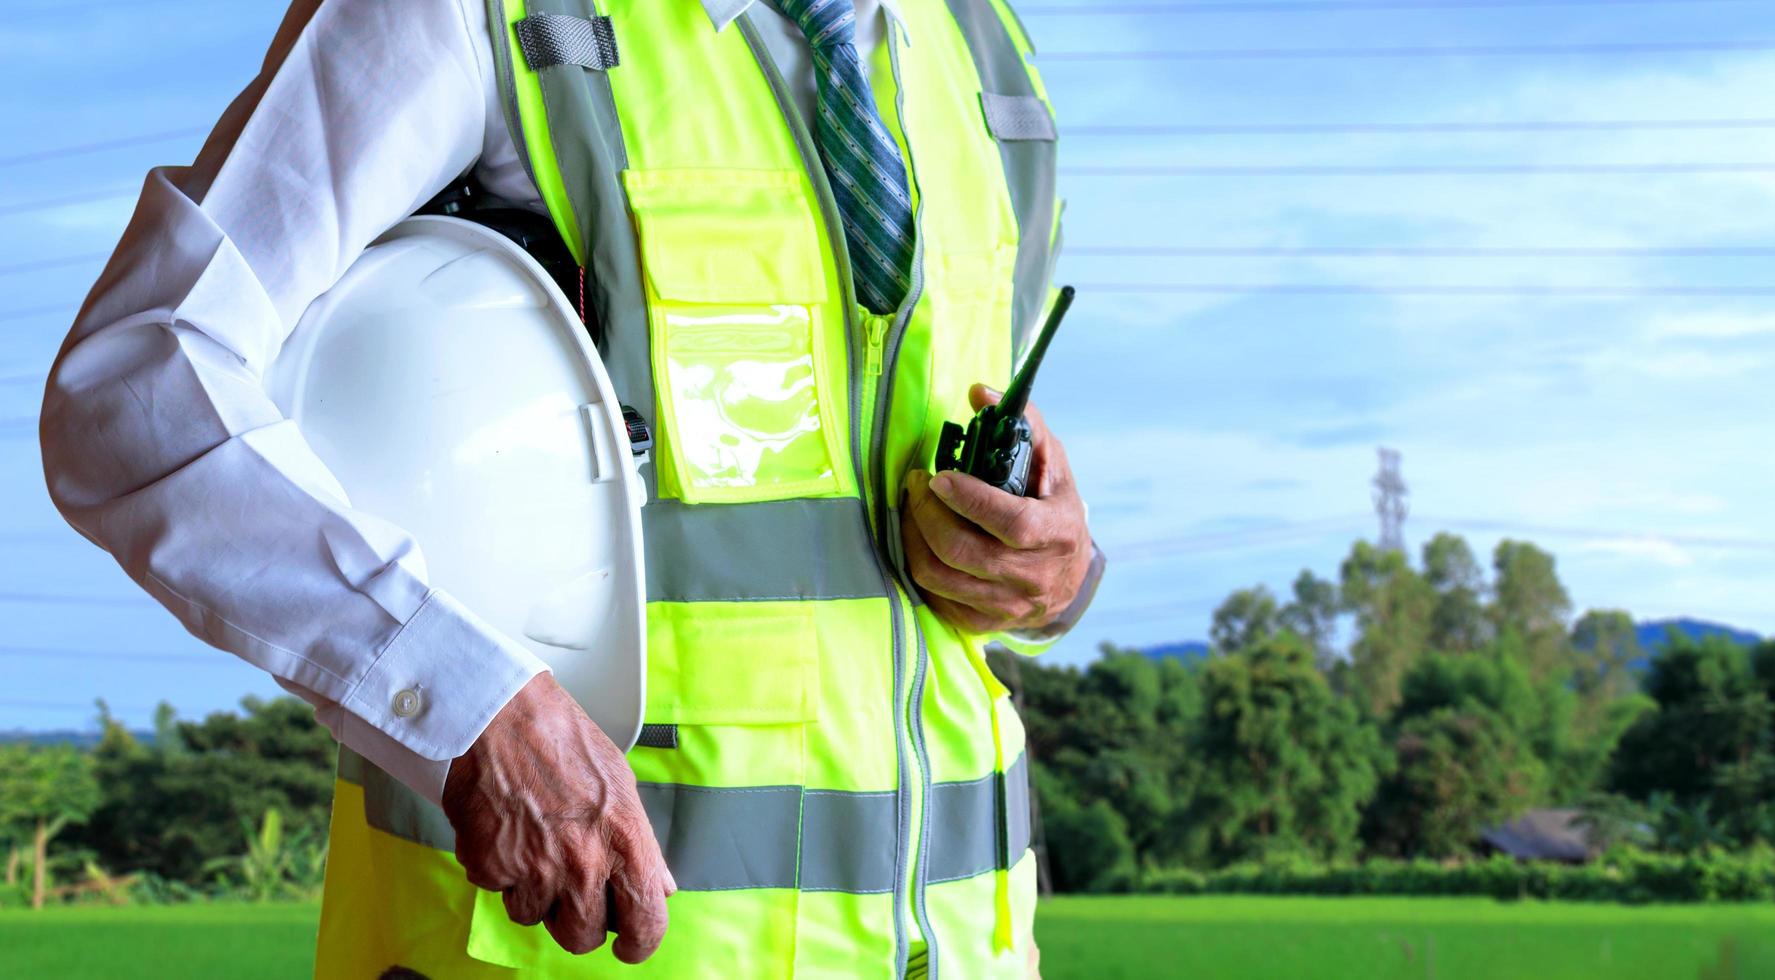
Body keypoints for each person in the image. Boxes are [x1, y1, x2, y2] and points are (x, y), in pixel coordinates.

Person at [40, 0, 1099, 976]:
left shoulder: (979, 38)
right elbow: (136, 381)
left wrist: (1052, 568)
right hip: (589, 948)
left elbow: (912, 442)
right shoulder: (470, 15)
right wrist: (463, 705)